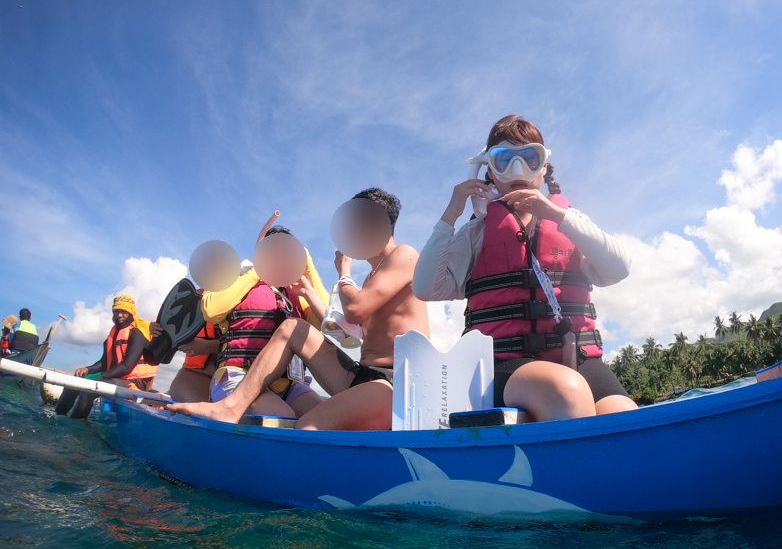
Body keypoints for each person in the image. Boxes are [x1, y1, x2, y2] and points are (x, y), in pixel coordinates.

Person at [412, 115, 638, 422]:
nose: (518, 170)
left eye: (530, 158)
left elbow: (619, 269)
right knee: (566, 391)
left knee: (624, 417)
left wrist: (557, 216)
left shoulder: (569, 221)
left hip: (575, 357)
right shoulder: (475, 234)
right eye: (503, 160)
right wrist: (451, 214)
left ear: (544, 168)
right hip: (500, 364)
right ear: (488, 170)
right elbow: (426, 288)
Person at [169, 188, 430, 430]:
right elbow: (347, 335)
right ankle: (230, 407)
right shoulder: (370, 278)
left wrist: (343, 271)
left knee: (308, 425)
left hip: (394, 382)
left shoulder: (404, 255)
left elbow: (355, 310)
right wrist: (308, 293)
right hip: (363, 375)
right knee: (293, 327)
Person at [198, 225, 328, 419]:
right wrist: (260, 269)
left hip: (287, 385)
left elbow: (327, 322)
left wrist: (308, 265)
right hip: (238, 377)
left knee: (329, 417)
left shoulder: (297, 294)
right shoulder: (238, 279)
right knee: (281, 416)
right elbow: (210, 311)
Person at [56, 296, 158, 418]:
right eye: (116, 312)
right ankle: (58, 418)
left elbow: (127, 367)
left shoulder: (137, 332)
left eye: (123, 312)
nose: (119, 315)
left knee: (89, 388)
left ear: (131, 312)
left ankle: (75, 426)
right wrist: (87, 370)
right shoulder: (114, 332)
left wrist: (98, 376)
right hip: (116, 377)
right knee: (74, 382)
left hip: (135, 382)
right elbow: (105, 362)